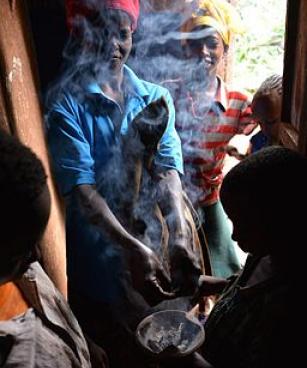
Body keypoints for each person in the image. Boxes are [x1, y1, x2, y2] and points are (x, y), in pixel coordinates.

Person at [46, 0, 204, 366]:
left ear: (132, 33)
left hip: (152, 245)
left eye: (121, 33)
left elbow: (167, 172)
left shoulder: (154, 97)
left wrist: (179, 235)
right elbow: (84, 192)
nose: (112, 45)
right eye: (100, 33)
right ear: (80, 36)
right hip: (96, 261)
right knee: (121, 348)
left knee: (166, 343)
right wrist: (131, 248)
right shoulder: (66, 105)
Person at [188, 146, 305, 367]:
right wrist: (215, 285)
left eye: (243, 223)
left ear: (280, 220)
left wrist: (189, 360)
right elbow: (245, 287)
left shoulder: (291, 310)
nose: (234, 235)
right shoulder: (264, 255)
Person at [0, 129, 108, 367]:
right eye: (24, 250)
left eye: (35, 243)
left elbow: (49, 305)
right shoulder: (23, 358)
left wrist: (82, 343)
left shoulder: (17, 263)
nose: (37, 256)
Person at [168, 0, 257, 278]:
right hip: (173, 197)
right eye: (195, 42)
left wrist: (245, 141)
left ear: (225, 50)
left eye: (212, 43)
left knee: (224, 271)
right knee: (176, 270)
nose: (203, 51)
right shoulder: (168, 96)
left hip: (210, 197)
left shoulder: (239, 103)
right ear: (185, 48)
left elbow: (255, 133)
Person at [226, 74, 283, 160]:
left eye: (271, 122)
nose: (264, 129)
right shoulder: (258, 140)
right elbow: (248, 161)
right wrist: (235, 153)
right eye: (259, 123)